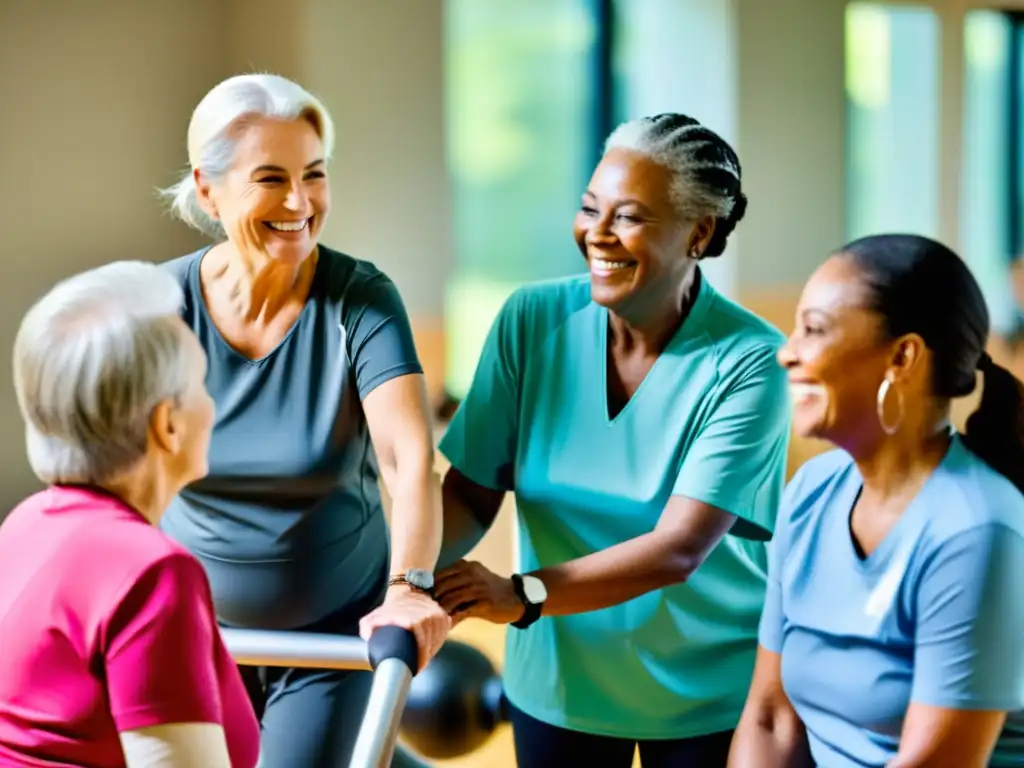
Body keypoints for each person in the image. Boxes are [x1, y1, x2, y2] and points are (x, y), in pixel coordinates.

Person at [432, 113, 792, 768]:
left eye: (628, 216)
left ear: (699, 233)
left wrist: (520, 593)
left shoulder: (752, 361)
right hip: (560, 686)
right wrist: (403, 574)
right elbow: (471, 491)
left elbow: (678, 548)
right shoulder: (530, 320)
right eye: (589, 207)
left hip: (704, 695)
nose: (597, 233)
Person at [155, 73, 450, 767]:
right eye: (270, 178)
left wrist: (409, 589)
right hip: (193, 637)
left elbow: (409, 462)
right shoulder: (160, 307)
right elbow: (118, 472)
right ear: (208, 189)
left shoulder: (360, 301)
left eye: (314, 175)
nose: (299, 202)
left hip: (330, 637)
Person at [728, 234, 1024, 768]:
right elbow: (770, 716)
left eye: (814, 330)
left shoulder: (979, 530)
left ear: (902, 356)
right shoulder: (810, 492)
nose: (786, 351)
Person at [0, 261, 260, 768]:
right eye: (203, 384)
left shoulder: (22, 526)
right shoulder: (153, 572)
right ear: (168, 424)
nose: (212, 405)